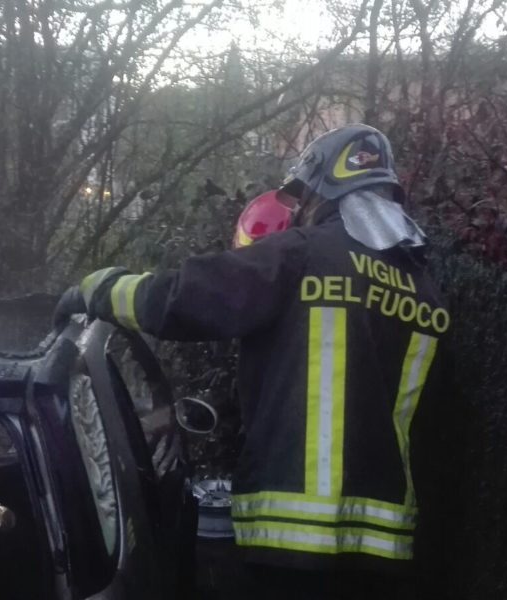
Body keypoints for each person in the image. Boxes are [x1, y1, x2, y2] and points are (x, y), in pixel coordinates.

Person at [55, 124, 450, 598]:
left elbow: (185, 298)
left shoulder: (303, 255)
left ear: (323, 187)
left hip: (288, 541)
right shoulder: (427, 292)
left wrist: (98, 288)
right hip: (386, 551)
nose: (300, 209)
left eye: (302, 196)